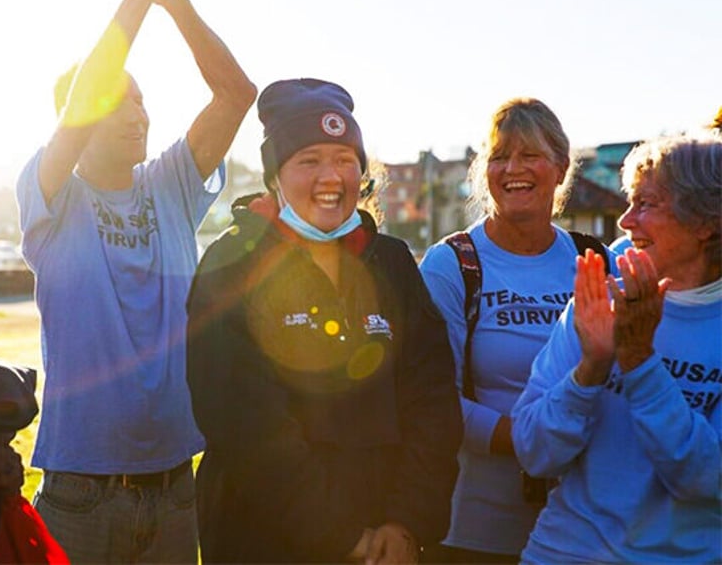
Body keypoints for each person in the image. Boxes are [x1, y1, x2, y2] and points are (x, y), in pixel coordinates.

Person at [16, 0, 256, 562]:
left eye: (142, 101)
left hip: (177, 488)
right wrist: (138, 0)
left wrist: (174, 0)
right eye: (115, 105)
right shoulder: (51, 197)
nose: (137, 115)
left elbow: (236, 95)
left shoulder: (171, 185)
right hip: (80, 498)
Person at [186, 78, 462, 564]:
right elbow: (244, 424)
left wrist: (405, 523)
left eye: (344, 160)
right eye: (308, 161)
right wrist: (343, 538)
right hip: (263, 541)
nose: (330, 177)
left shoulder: (391, 261)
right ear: (275, 176)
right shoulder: (232, 263)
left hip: (388, 543)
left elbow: (432, 400)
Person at [418, 97, 615, 562]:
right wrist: (535, 440)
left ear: (561, 167)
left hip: (579, 526)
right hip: (471, 531)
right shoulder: (453, 264)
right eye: (499, 156)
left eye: (530, 155)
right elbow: (432, 397)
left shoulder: (595, 260)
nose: (512, 169)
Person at [512, 135, 721, 563]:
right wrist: (590, 368)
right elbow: (534, 450)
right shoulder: (600, 294)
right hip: (562, 551)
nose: (625, 222)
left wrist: (639, 360)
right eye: (629, 201)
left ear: (706, 222)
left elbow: (704, 479)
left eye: (647, 204)